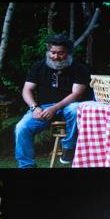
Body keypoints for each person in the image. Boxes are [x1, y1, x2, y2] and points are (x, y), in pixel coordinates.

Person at [15, 34, 90, 167]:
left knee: (75, 108)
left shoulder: (79, 68)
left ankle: (68, 147)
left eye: (61, 53)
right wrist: (34, 107)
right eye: (53, 52)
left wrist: (55, 108)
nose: (56, 56)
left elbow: (77, 94)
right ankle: (26, 166)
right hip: (43, 108)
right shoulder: (38, 66)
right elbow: (26, 90)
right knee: (21, 127)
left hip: (68, 106)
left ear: (68, 52)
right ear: (48, 51)